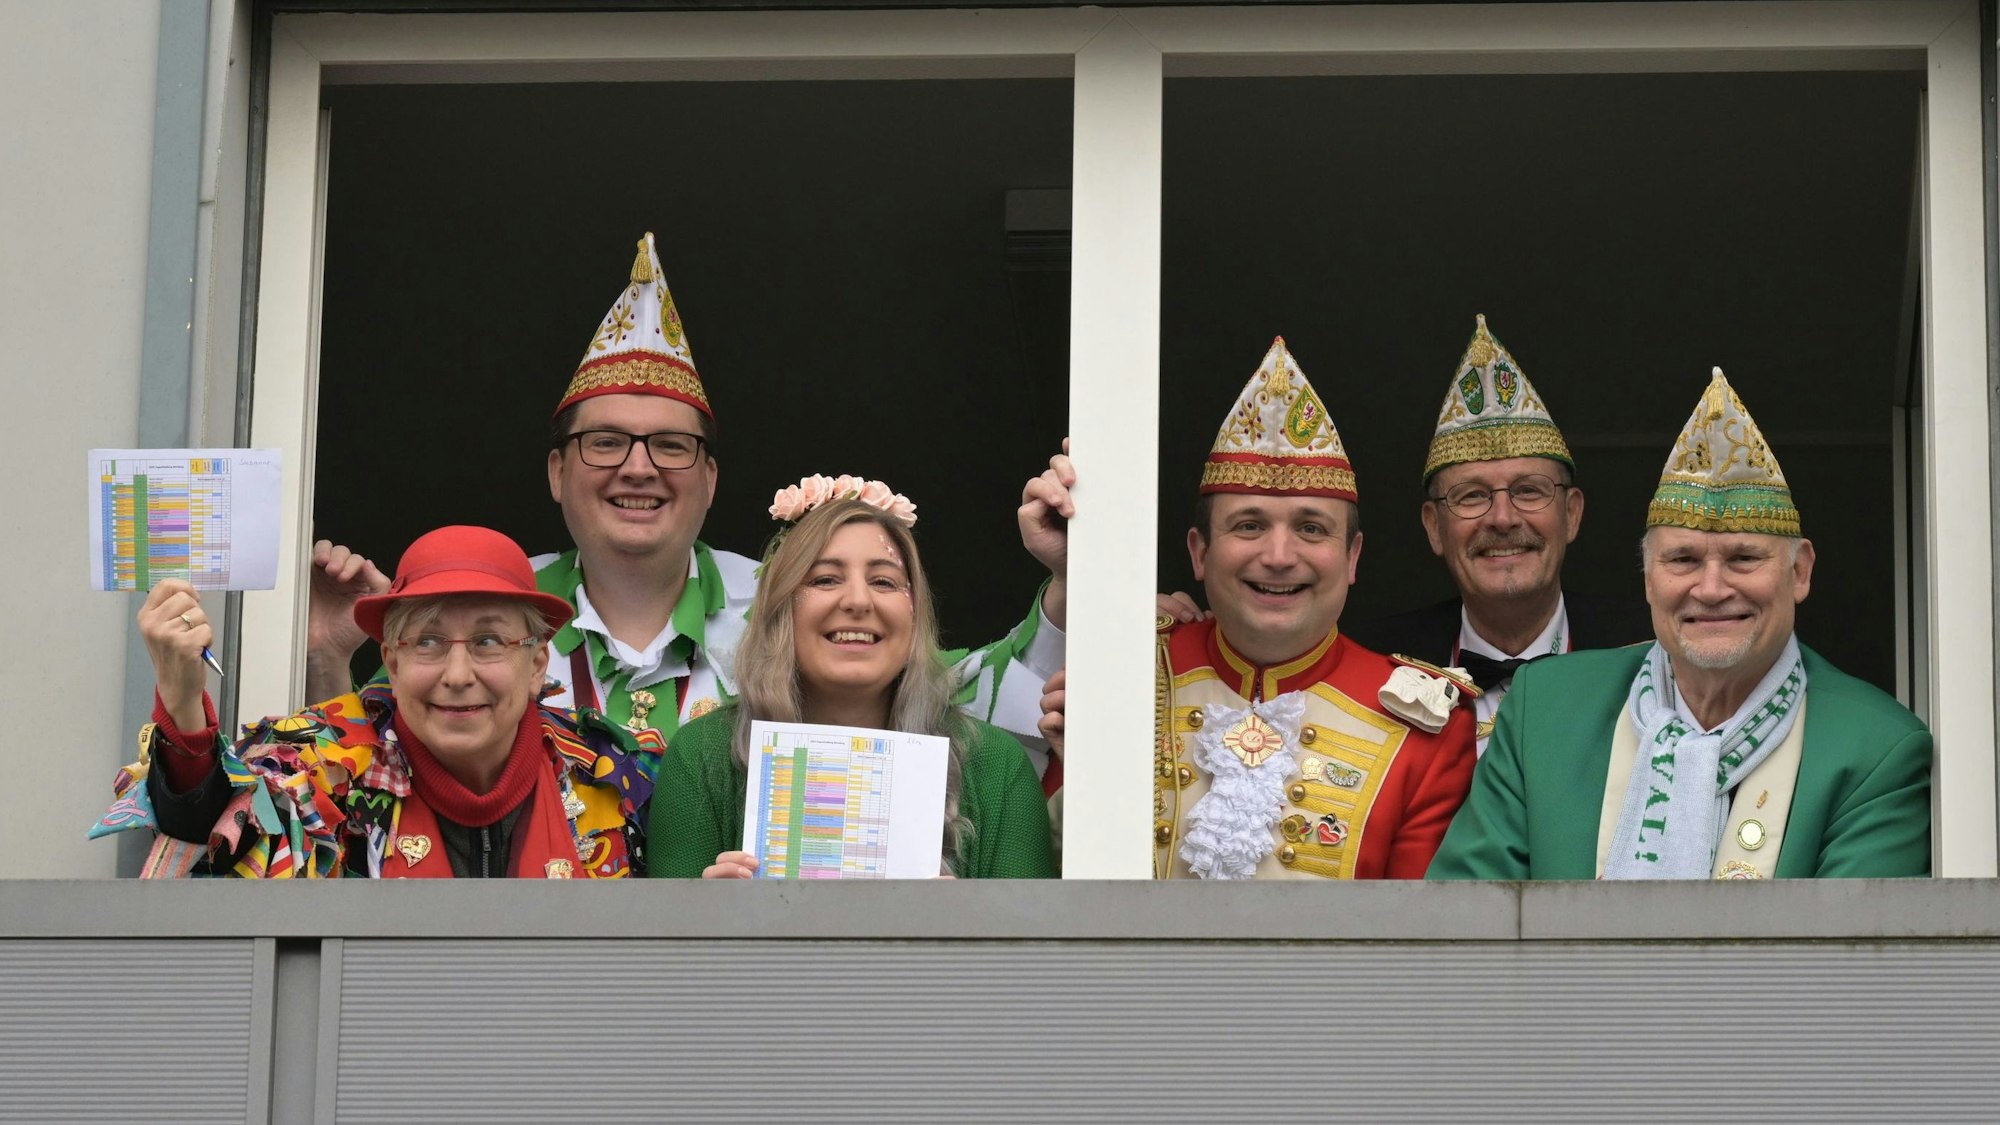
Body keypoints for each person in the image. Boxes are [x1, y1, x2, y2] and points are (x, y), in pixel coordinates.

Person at [301, 232, 1069, 771]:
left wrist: (1067, 587)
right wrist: (324, 656)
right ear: (556, 473)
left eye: (670, 446)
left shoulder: (788, 601)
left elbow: (958, 700)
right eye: (606, 442)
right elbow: (378, 776)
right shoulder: (493, 606)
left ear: (709, 481)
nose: (638, 468)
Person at [1430, 368, 1932, 880]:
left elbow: (1853, 933)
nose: (1711, 589)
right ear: (1649, 579)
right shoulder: (1543, 710)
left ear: (1799, 572)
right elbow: (1465, 915)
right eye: (1683, 560)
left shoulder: (1876, 748)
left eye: (1743, 558)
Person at [1037, 337, 1478, 879]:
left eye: (1311, 529)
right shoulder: (1128, 674)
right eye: (1249, 526)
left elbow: (1422, 926)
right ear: (1199, 552)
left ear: (1352, 557)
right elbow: (1042, 880)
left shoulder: (1424, 725)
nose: (1278, 556)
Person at [90, 526, 654, 878]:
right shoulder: (320, 758)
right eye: (428, 641)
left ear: (536, 665)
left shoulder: (613, 772)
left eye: (488, 641)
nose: (458, 675)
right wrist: (182, 699)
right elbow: (212, 828)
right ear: (392, 659)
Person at [648, 483, 1057, 879]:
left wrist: (967, 921)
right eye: (825, 579)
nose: (859, 601)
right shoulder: (701, 757)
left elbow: (1033, 929)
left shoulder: (997, 765)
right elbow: (664, 928)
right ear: (779, 610)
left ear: (915, 614)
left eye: (884, 582)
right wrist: (709, 915)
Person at [1345, 315, 1649, 755]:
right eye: (1472, 496)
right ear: (1434, 527)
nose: (1503, 519)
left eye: (1529, 491)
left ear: (1571, 514)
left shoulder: (1651, 653)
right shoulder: (1371, 663)